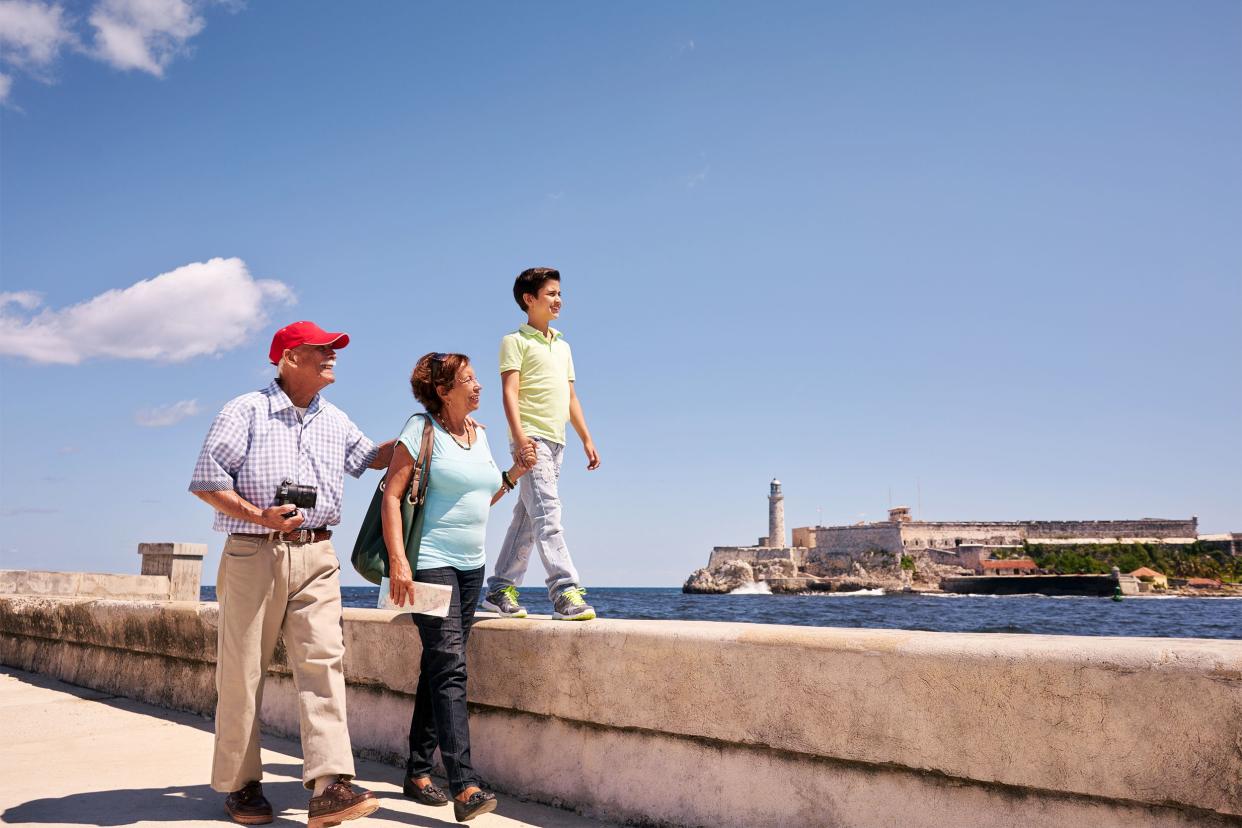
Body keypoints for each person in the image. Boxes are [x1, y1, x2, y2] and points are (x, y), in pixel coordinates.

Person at [189, 320, 392, 828]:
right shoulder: (245, 410)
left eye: (333, 350)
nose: (332, 357)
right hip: (254, 552)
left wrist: (422, 428)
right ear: (287, 358)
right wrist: (261, 516)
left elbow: (370, 458)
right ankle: (240, 784)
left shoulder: (335, 418)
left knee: (325, 664)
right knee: (242, 672)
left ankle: (331, 786)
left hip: (318, 555)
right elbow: (206, 481)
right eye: (321, 349)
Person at [382, 352, 535, 823]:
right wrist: (400, 562)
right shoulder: (420, 429)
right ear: (443, 390)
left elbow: (477, 495)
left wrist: (512, 476)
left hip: (473, 567)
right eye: (468, 379)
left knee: (440, 662)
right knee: (451, 667)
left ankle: (417, 771)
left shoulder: (481, 435)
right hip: (429, 563)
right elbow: (392, 493)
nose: (478, 386)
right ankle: (464, 784)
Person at [482, 267, 600, 621]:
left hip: (558, 440)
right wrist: (520, 439)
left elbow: (571, 398)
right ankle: (564, 590)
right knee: (548, 513)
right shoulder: (514, 341)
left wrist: (586, 438)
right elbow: (509, 392)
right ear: (528, 299)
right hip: (531, 438)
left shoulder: (563, 346)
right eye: (550, 293)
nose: (558, 299)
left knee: (529, 518)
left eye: (559, 293)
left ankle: (500, 586)